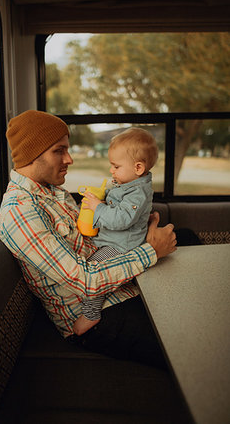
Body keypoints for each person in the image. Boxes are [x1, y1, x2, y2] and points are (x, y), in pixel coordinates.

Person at [0, 110, 177, 369]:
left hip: (119, 279)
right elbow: (85, 281)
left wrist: (141, 232)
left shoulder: (54, 192)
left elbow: (92, 237)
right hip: (96, 312)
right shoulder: (20, 212)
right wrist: (151, 251)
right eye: (59, 151)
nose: (69, 159)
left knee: (186, 239)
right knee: (193, 343)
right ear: (31, 154)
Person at [73, 128, 158, 336]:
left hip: (122, 245)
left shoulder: (137, 192)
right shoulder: (127, 183)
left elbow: (121, 219)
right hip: (110, 240)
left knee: (95, 269)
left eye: (116, 166)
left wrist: (97, 207)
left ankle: (91, 313)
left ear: (138, 168)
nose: (112, 171)